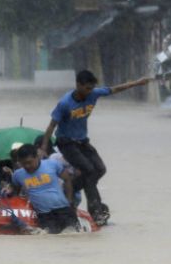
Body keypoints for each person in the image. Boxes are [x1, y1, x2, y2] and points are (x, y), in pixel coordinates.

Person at [39, 70, 150, 225]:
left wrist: (137, 82)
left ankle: (70, 186)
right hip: (66, 143)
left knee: (100, 169)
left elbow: (115, 89)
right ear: (78, 85)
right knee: (89, 171)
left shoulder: (93, 94)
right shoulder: (65, 103)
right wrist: (43, 148)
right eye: (87, 88)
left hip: (82, 141)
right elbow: (52, 125)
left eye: (91, 88)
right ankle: (96, 210)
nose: (89, 92)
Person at [2, 144, 77, 234]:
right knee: (48, 236)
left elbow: (67, 179)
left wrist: (69, 200)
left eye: (29, 162)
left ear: (37, 157)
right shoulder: (18, 175)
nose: (27, 166)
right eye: (23, 163)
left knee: (72, 233)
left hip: (64, 210)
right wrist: (8, 191)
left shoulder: (52, 164)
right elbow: (14, 190)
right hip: (44, 215)